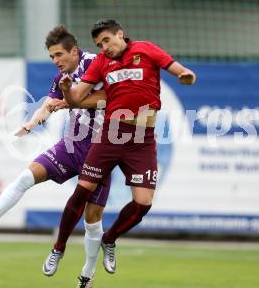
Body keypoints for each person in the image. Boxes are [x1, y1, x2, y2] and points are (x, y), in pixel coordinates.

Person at [43, 19, 196, 275]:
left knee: (143, 203)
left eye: (106, 40)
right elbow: (77, 98)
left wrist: (185, 75)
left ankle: (110, 238)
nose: (103, 47)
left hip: (142, 139)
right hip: (111, 135)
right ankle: (58, 248)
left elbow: (178, 69)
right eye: (98, 44)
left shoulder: (146, 49)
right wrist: (67, 92)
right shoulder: (102, 63)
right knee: (83, 191)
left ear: (120, 34)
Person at [0, 25, 109, 288]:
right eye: (52, 57)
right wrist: (31, 123)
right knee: (25, 177)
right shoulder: (60, 77)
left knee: (92, 219)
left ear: (74, 51)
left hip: (101, 151)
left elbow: (109, 98)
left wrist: (68, 101)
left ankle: (87, 274)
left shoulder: (96, 65)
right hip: (71, 146)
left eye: (59, 55)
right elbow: (47, 106)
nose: (56, 61)